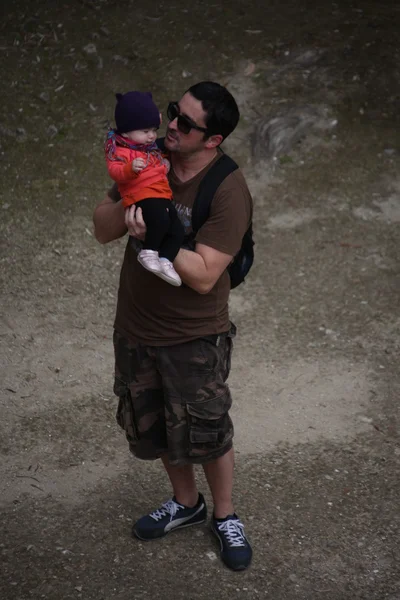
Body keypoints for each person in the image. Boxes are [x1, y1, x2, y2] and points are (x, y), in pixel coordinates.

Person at [93, 81, 253, 571]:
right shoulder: (147, 156)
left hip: (194, 334)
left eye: (185, 123)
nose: (170, 126)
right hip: (137, 324)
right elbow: (101, 227)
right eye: (171, 113)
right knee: (158, 427)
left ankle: (224, 515)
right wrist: (130, 205)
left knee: (208, 432)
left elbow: (205, 276)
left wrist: (159, 241)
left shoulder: (227, 188)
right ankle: (186, 504)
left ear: (213, 140)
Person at [105, 91, 184, 286]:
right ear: (126, 132)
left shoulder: (149, 149)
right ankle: (149, 252)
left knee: (177, 230)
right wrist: (129, 169)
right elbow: (115, 171)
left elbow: (156, 161)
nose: (152, 136)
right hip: (141, 194)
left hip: (161, 195)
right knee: (160, 220)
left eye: (154, 130)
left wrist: (163, 164)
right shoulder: (122, 151)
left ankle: (165, 259)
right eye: (145, 131)